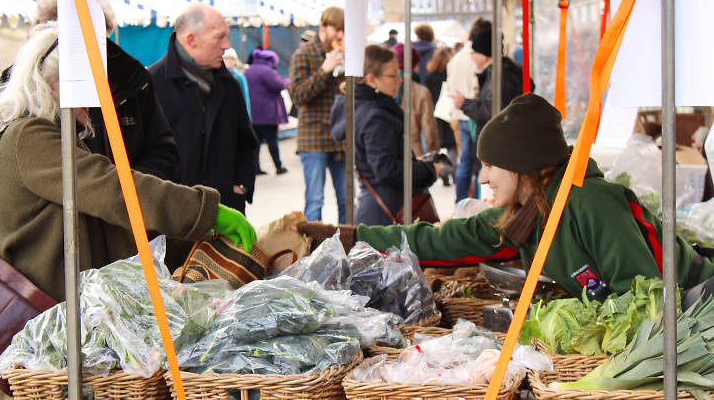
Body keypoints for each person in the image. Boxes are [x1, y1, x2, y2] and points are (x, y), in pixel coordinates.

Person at [0, 21, 256, 400]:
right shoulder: (30, 136)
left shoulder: (54, 136)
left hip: (38, 332)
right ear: (51, 84)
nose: (96, 97)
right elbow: (116, 190)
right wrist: (207, 211)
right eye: (86, 84)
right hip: (14, 338)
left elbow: (105, 214)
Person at [296, 93, 714, 304]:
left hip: (697, 302)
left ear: (522, 166)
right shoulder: (524, 215)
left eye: (491, 165)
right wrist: (342, 236)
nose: (484, 177)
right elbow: (438, 241)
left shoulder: (593, 203)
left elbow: (646, 298)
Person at [0, 0, 179, 185]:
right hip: (49, 220)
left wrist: (126, 194)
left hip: (124, 218)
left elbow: (162, 150)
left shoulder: (132, 79)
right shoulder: (15, 87)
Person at [149, 3, 259, 215]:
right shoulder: (152, 84)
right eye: (219, 37)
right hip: (173, 218)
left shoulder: (229, 84)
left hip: (226, 211)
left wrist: (241, 187)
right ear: (191, 40)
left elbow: (247, 143)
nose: (227, 45)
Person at [353, 45, 438, 226]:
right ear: (372, 80)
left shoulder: (362, 108)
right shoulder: (375, 116)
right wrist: (429, 170)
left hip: (378, 207)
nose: (399, 80)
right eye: (393, 76)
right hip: (387, 213)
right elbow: (386, 169)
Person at [450, 26, 530, 198]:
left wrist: (465, 104)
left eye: (474, 53)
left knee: (490, 195)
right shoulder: (503, 71)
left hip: (499, 150)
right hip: (502, 148)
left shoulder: (499, 75)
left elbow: (493, 112)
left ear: (484, 55)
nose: (471, 57)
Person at [289, 6, 346, 224]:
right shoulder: (303, 55)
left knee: (347, 199)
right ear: (323, 26)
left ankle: (349, 245)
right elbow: (299, 96)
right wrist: (324, 69)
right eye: (337, 30)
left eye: (344, 31)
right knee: (315, 199)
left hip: (339, 137)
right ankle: (313, 250)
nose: (340, 36)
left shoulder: (345, 54)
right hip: (313, 137)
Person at [443, 18, 491, 201]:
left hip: (460, 113)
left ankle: (461, 200)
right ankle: (478, 201)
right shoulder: (478, 54)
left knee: (465, 160)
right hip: (473, 114)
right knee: (482, 162)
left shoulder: (456, 58)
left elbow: (450, 85)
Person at [245, 48, 289, 176]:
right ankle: (278, 166)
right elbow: (279, 85)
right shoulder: (267, 71)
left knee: (256, 142)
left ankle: (256, 167)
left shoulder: (249, 70)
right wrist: (287, 80)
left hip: (253, 114)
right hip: (268, 113)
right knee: (272, 140)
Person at [392, 43, 439, 157]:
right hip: (414, 154)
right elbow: (429, 130)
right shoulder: (421, 91)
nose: (418, 67)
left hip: (388, 154)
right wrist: (433, 156)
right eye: (416, 63)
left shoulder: (385, 88)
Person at [424, 46, 457, 186]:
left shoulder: (430, 75)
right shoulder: (451, 74)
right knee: (453, 147)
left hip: (437, 115)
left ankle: (444, 170)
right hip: (450, 113)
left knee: (440, 145)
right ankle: (447, 170)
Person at [223, 48, 251, 120]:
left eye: (231, 59)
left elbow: (245, 96)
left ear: (235, 61)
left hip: (236, 114)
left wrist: (247, 117)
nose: (229, 61)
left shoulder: (240, 77)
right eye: (226, 58)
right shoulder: (218, 76)